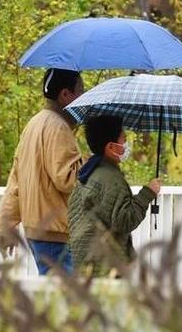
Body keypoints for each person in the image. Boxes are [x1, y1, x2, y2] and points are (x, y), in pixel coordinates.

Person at [0, 68, 84, 274]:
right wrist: (91, 162)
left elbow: (15, 182)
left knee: (56, 297)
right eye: (80, 91)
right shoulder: (58, 128)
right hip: (56, 232)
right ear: (65, 95)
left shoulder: (34, 124)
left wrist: (5, 225)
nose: (83, 98)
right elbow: (68, 179)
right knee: (68, 300)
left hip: (38, 232)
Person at [67, 114, 161, 275]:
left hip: (84, 259)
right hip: (102, 265)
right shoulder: (110, 179)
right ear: (111, 147)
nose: (126, 144)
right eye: (123, 139)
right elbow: (124, 220)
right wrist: (148, 193)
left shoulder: (89, 172)